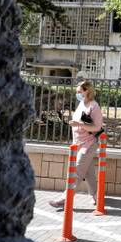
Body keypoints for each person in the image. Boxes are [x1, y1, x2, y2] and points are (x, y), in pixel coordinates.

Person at [50, 81, 104, 209]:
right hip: (78, 143)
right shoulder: (82, 104)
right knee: (88, 172)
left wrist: (78, 124)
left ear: (87, 91)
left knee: (78, 170)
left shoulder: (94, 106)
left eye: (80, 91)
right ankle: (97, 195)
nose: (77, 94)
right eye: (77, 92)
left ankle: (65, 198)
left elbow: (97, 127)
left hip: (89, 144)